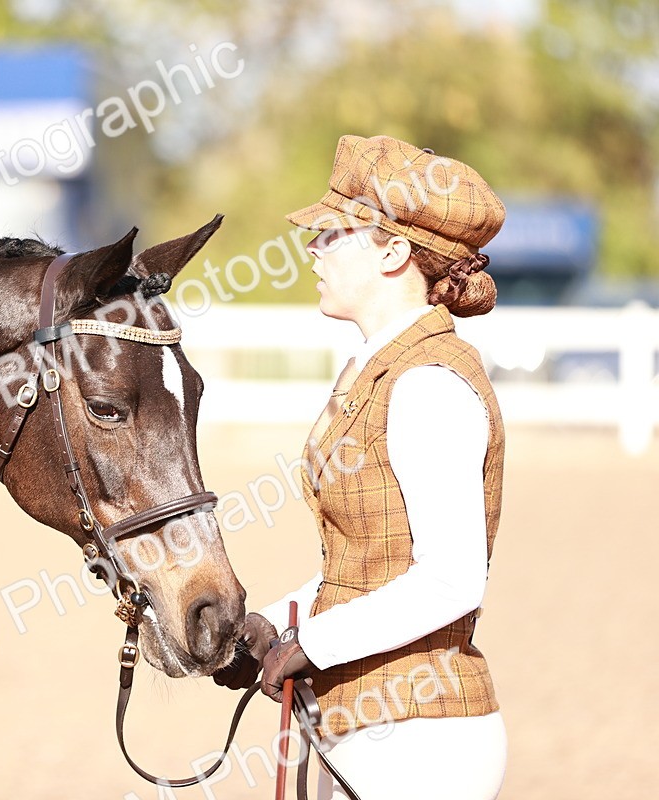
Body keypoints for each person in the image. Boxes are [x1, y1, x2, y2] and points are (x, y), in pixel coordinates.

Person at [213, 134, 509, 800]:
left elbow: (450, 579)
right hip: (375, 729)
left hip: (421, 742)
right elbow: (369, 566)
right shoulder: (381, 369)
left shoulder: (427, 383)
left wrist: (311, 642)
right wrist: (265, 624)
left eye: (333, 235)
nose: (313, 250)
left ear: (394, 250)